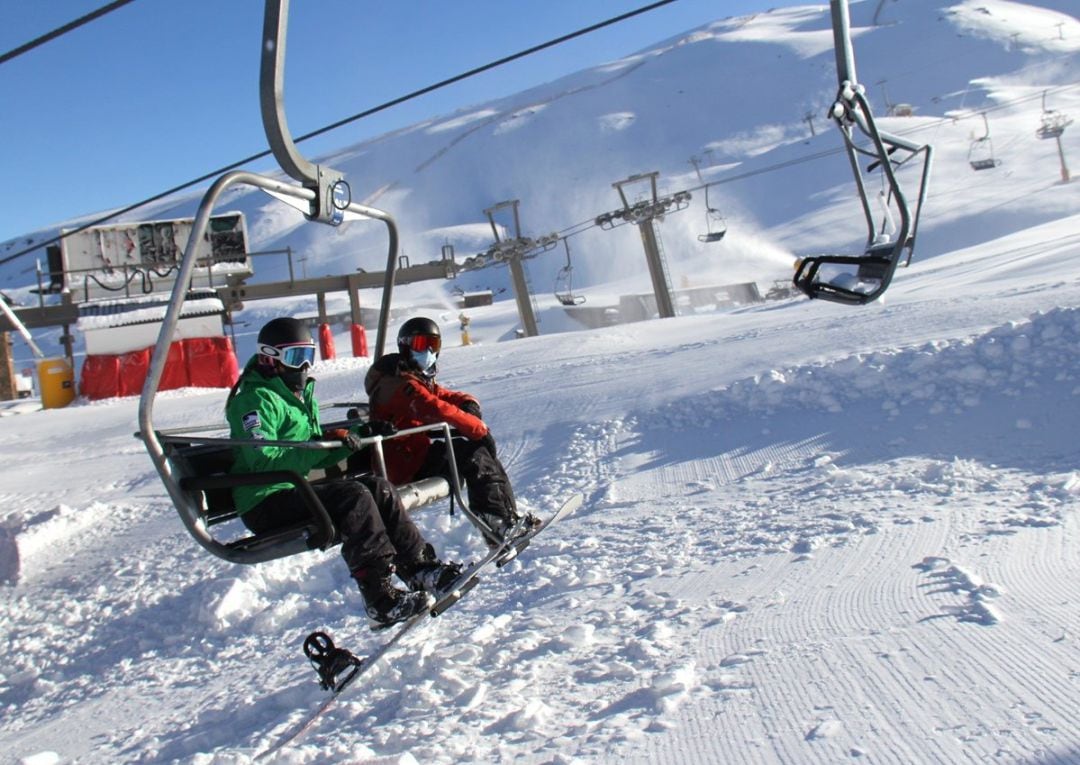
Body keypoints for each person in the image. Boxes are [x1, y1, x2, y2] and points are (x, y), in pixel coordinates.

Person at [225, 317, 461, 628]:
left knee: (378, 487)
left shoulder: (295, 395)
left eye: (309, 356)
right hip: (264, 500)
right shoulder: (254, 401)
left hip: (293, 489)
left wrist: (354, 438)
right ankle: (380, 599)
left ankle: (419, 568)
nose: (305, 366)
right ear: (271, 357)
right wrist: (315, 448)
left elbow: (313, 451)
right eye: (296, 357)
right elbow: (264, 460)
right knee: (355, 497)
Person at [364, 316, 535, 546]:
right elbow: (433, 408)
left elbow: (444, 396)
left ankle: (504, 519)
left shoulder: (414, 376)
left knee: (476, 453)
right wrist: (478, 430)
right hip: (401, 464)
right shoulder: (397, 384)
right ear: (405, 346)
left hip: (415, 454)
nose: (428, 351)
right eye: (421, 345)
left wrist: (467, 402)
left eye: (433, 346)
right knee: (472, 452)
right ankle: (496, 523)